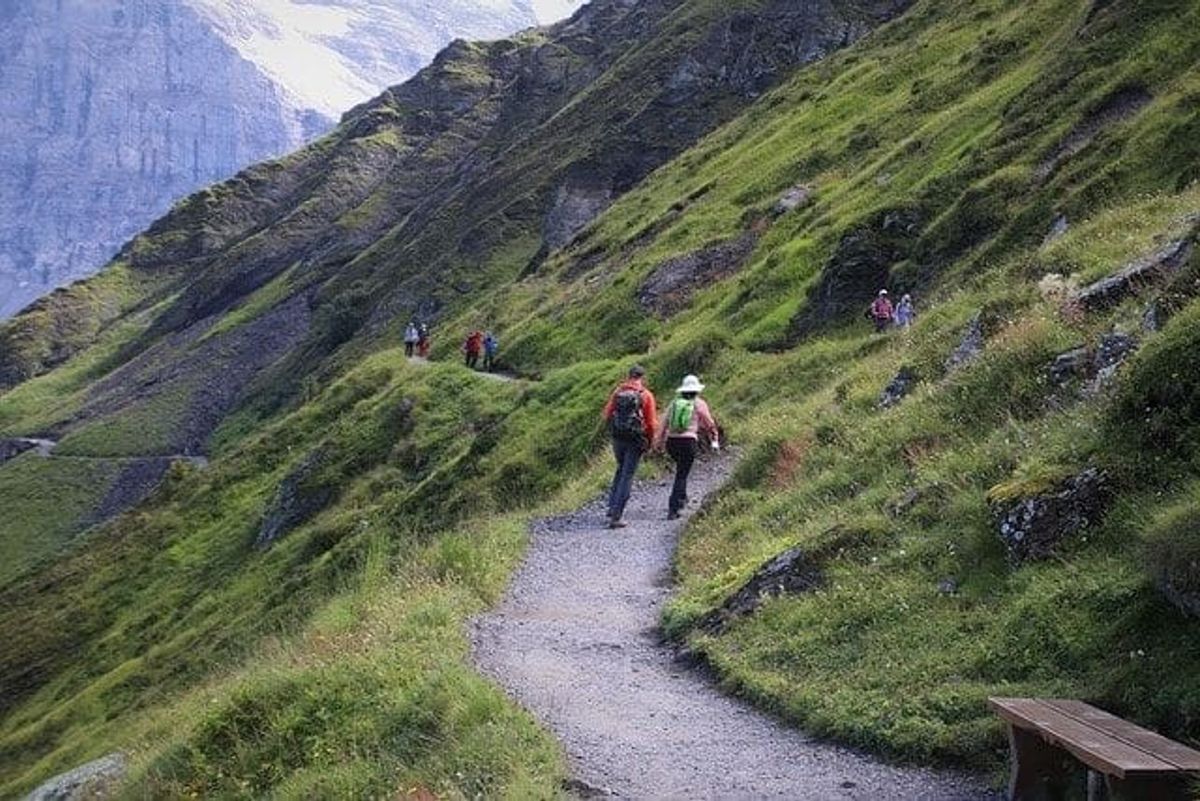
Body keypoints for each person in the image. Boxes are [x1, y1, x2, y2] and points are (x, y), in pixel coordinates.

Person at [654, 375, 720, 520]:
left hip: (672, 442)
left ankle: (682, 498)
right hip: (688, 442)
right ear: (696, 390)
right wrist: (714, 439)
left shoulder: (674, 403)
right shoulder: (699, 404)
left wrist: (658, 442)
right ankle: (673, 507)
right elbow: (709, 423)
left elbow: (663, 423)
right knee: (682, 474)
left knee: (680, 469)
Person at [601, 365, 658, 529]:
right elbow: (652, 423)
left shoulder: (618, 392)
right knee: (628, 475)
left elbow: (606, 414)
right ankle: (617, 517)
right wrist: (650, 440)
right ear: (642, 377)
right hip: (635, 440)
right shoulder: (646, 395)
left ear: (629, 376)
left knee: (620, 469)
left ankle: (611, 508)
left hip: (618, 439)